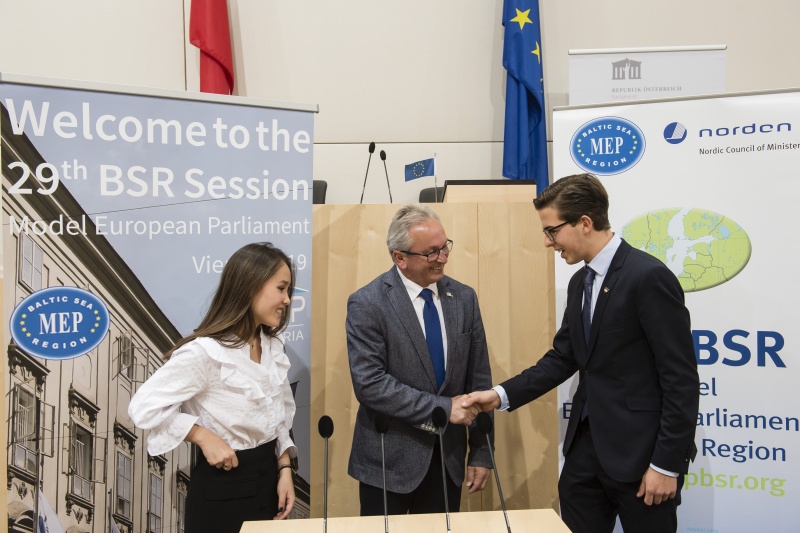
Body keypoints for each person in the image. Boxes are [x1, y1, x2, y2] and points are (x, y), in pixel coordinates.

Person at [463, 174, 699, 533]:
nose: (547, 242)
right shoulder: (580, 282)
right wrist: (499, 396)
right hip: (584, 459)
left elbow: (681, 380)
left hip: (642, 459)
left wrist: (666, 466)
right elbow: (564, 358)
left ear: (585, 223)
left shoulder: (647, 277)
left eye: (552, 230)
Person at [129, 242, 298, 532]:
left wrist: (284, 469)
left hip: (269, 488)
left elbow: (278, 418)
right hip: (222, 497)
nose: (286, 300)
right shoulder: (204, 353)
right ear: (251, 286)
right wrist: (202, 436)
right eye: (281, 289)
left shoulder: (273, 348)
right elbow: (143, 407)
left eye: (288, 291)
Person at [346, 204, 492, 515]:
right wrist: (443, 408)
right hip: (388, 465)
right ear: (400, 257)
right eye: (431, 252)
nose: (443, 258)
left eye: (444, 247)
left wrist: (481, 451)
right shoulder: (367, 303)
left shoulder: (465, 298)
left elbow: (478, 381)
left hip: (447, 462)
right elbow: (370, 384)